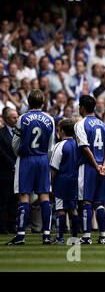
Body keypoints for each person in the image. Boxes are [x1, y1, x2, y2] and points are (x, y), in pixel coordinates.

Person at [6, 89, 55, 245]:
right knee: (44, 196)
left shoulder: (22, 118)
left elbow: (15, 143)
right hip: (42, 159)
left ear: (28, 101)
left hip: (26, 159)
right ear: (42, 102)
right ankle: (46, 235)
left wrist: (19, 154)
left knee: (24, 196)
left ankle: (20, 235)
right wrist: (45, 159)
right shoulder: (50, 119)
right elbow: (50, 146)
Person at [75, 95, 105, 244]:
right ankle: (102, 236)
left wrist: (96, 165)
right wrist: (103, 165)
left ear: (82, 107)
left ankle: (86, 237)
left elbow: (85, 147)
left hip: (88, 168)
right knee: (99, 203)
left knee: (86, 202)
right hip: (102, 168)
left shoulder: (80, 124)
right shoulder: (102, 124)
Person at [50, 119, 79, 245]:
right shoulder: (79, 145)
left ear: (61, 131)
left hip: (61, 181)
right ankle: (74, 237)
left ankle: (60, 238)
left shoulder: (59, 145)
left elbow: (54, 167)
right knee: (73, 209)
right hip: (75, 180)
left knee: (60, 209)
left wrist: (50, 183)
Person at [0, 108, 18, 234]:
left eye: (17, 117)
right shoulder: (1, 133)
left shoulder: (19, 132)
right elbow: (1, 153)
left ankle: (12, 225)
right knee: (3, 201)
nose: (16, 119)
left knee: (14, 200)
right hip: (4, 172)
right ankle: (2, 226)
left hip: (16, 172)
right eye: (13, 118)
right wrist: (13, 164)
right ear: (6, 119)